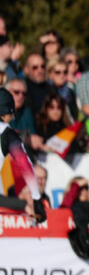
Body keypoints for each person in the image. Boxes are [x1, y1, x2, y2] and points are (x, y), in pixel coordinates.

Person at [0, 87, 46, 222]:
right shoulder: (7, 135)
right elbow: (25, 166)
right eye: (11, 114)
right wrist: (36, 199)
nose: (12, 117)